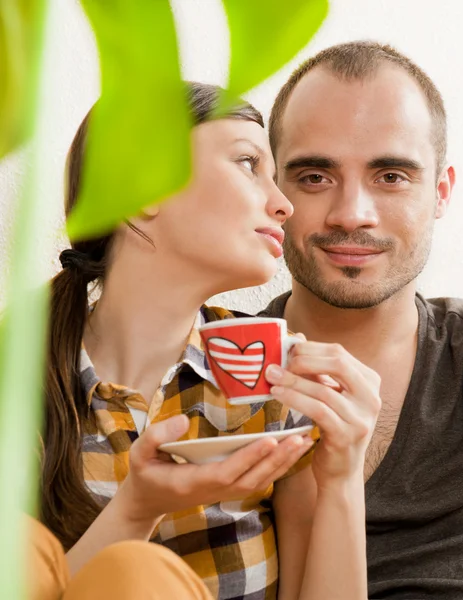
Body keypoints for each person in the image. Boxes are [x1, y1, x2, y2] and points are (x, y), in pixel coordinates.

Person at [259, 41, 463, 598]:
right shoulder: (214, 365)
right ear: (275, 193)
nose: (351, 214)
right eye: (315, 177)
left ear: (439, 193)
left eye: (390, 176)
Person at [34, 81, 381, 600]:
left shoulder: (273, 379)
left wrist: (343, 477)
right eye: (248, 163)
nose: (284, 203)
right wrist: (137, 508)